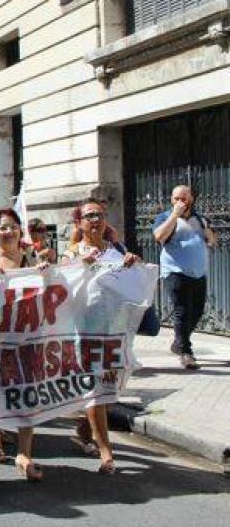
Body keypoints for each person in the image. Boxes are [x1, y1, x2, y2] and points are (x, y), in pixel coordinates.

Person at [61, 197, 140, 474]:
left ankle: (84, 431)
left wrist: (134, 263)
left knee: (108, 390)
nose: (95, 220)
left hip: (113, 330)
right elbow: (61, 290)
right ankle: (106, 452)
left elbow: (133, 282)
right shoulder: (71, 253)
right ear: (79, 223)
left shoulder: (116, 250)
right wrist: (77, 266)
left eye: (99, 215)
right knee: (96, 388)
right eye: (89, 215)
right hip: (83, 332)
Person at [0, 209, 46, 481]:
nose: (8, 232)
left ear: (20, 231)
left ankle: (24, 452)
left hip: (28, 335)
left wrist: (44, 274)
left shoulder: (32, 259)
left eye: (13, 227)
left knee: (28, 392)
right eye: (3, 227)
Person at [152, 185, 215, 370]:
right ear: (171, 200)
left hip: (198, 272)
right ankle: (186, 353)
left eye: (183, 199)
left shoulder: (200, 218)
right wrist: (174, 215)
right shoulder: (165, 217)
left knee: (197, 311)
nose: (179, 202)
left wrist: (208, 233)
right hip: (175, 271)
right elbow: (159, 236)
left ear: (191, 199)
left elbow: (212, 240)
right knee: (182, 311)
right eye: (175, 198)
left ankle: (179, 342)